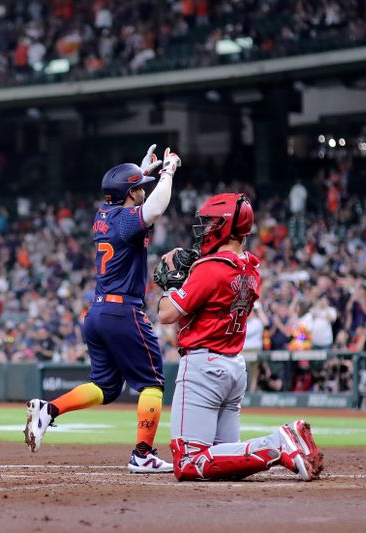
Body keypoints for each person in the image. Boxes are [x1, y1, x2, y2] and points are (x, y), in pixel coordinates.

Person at [24, 144, 180, 473]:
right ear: (129, 192)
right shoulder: (126, 219)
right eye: (137, 187)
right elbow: (153, 209)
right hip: (123, 311)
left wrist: (142, 173)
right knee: (153, 383)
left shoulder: (103, 214)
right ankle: (142, 454)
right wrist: (167, 172)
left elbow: (130, 197)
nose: (141, 191)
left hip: (96, 313)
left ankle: (49, 410)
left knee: (105, 387)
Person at [157, 193, 324, 481]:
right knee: (227, 459)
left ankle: (277, 444)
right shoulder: (251, 267)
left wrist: (171, 284)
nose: (206, 228)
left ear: (224, 225)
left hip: (203, 366)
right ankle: (283, 443)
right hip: (233, 366)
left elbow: (166, 314)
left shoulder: (210, 269)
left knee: (188, 462)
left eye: (210, 222)